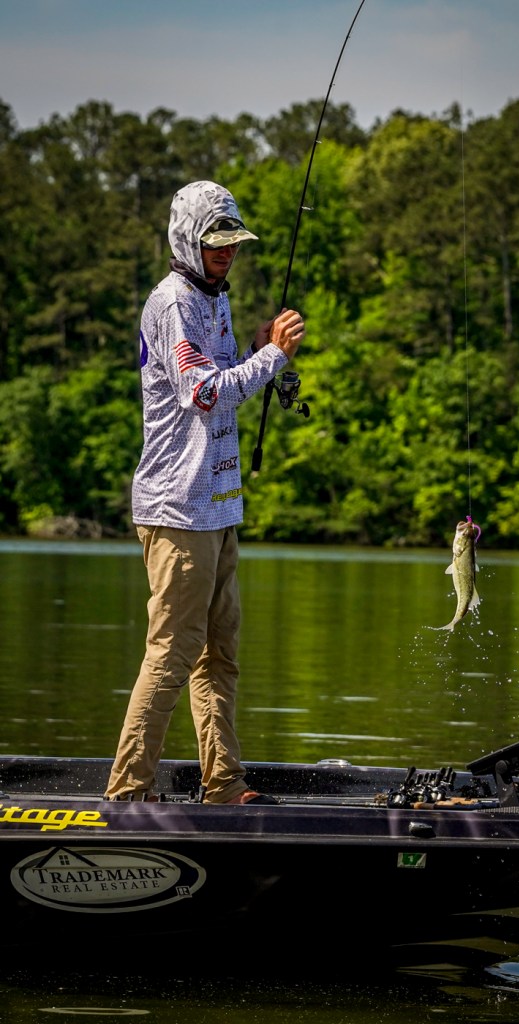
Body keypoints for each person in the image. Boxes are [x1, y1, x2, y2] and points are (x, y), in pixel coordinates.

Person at [104, 180, 305, 803]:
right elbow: (203, 394)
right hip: (178, 509)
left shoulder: (212, 299)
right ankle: (127, 791)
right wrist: (271, 359)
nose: (227, 251)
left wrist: (254, 349)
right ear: (187, 240)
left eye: (233, 241)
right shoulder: (173, 304)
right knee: (172, 652)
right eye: (216, 241)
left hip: (217, 508)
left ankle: (223, 782)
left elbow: (216, 374)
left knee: (219, 655)